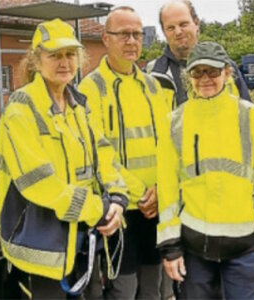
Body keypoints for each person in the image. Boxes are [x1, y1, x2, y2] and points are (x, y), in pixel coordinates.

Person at [0, 18, 129, 299]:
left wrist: (117, 197)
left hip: (80, 239)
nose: (64, 62)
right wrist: (98, 209)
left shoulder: (78, 104)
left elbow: (104, 155)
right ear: (36, 60)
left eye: (70, 54)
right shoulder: (21, 109)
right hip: (41, 248)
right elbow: (41, 183)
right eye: (54, 55)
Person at [156, 41, 254, 299]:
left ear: (227, 73)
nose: (205, 79)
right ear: (188, 76)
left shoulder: (251, 116)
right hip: (194, 247)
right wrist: (171, 246)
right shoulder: (174, 122)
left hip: (245, 245)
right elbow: (168, 187)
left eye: (212, 71)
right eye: (197, 72)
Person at [78, 7, 171, 300]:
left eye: (137, 34)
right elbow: (98, 152)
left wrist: (161, 189)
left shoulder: (153, 86)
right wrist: (142, 192)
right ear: (106, 38)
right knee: (124, 290)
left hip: (156, 206)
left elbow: (167, 145)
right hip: (120, 211)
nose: (132, 41)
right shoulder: (89, 89)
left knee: (153, 286)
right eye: (124, 34)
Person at [146, 0, 251, 109]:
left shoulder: (226, 67)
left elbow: (247, 116)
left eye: (183, 24)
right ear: (163, 32)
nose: (178, 32)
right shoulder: (151, 75)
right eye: (171, 28)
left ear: (196, 23)